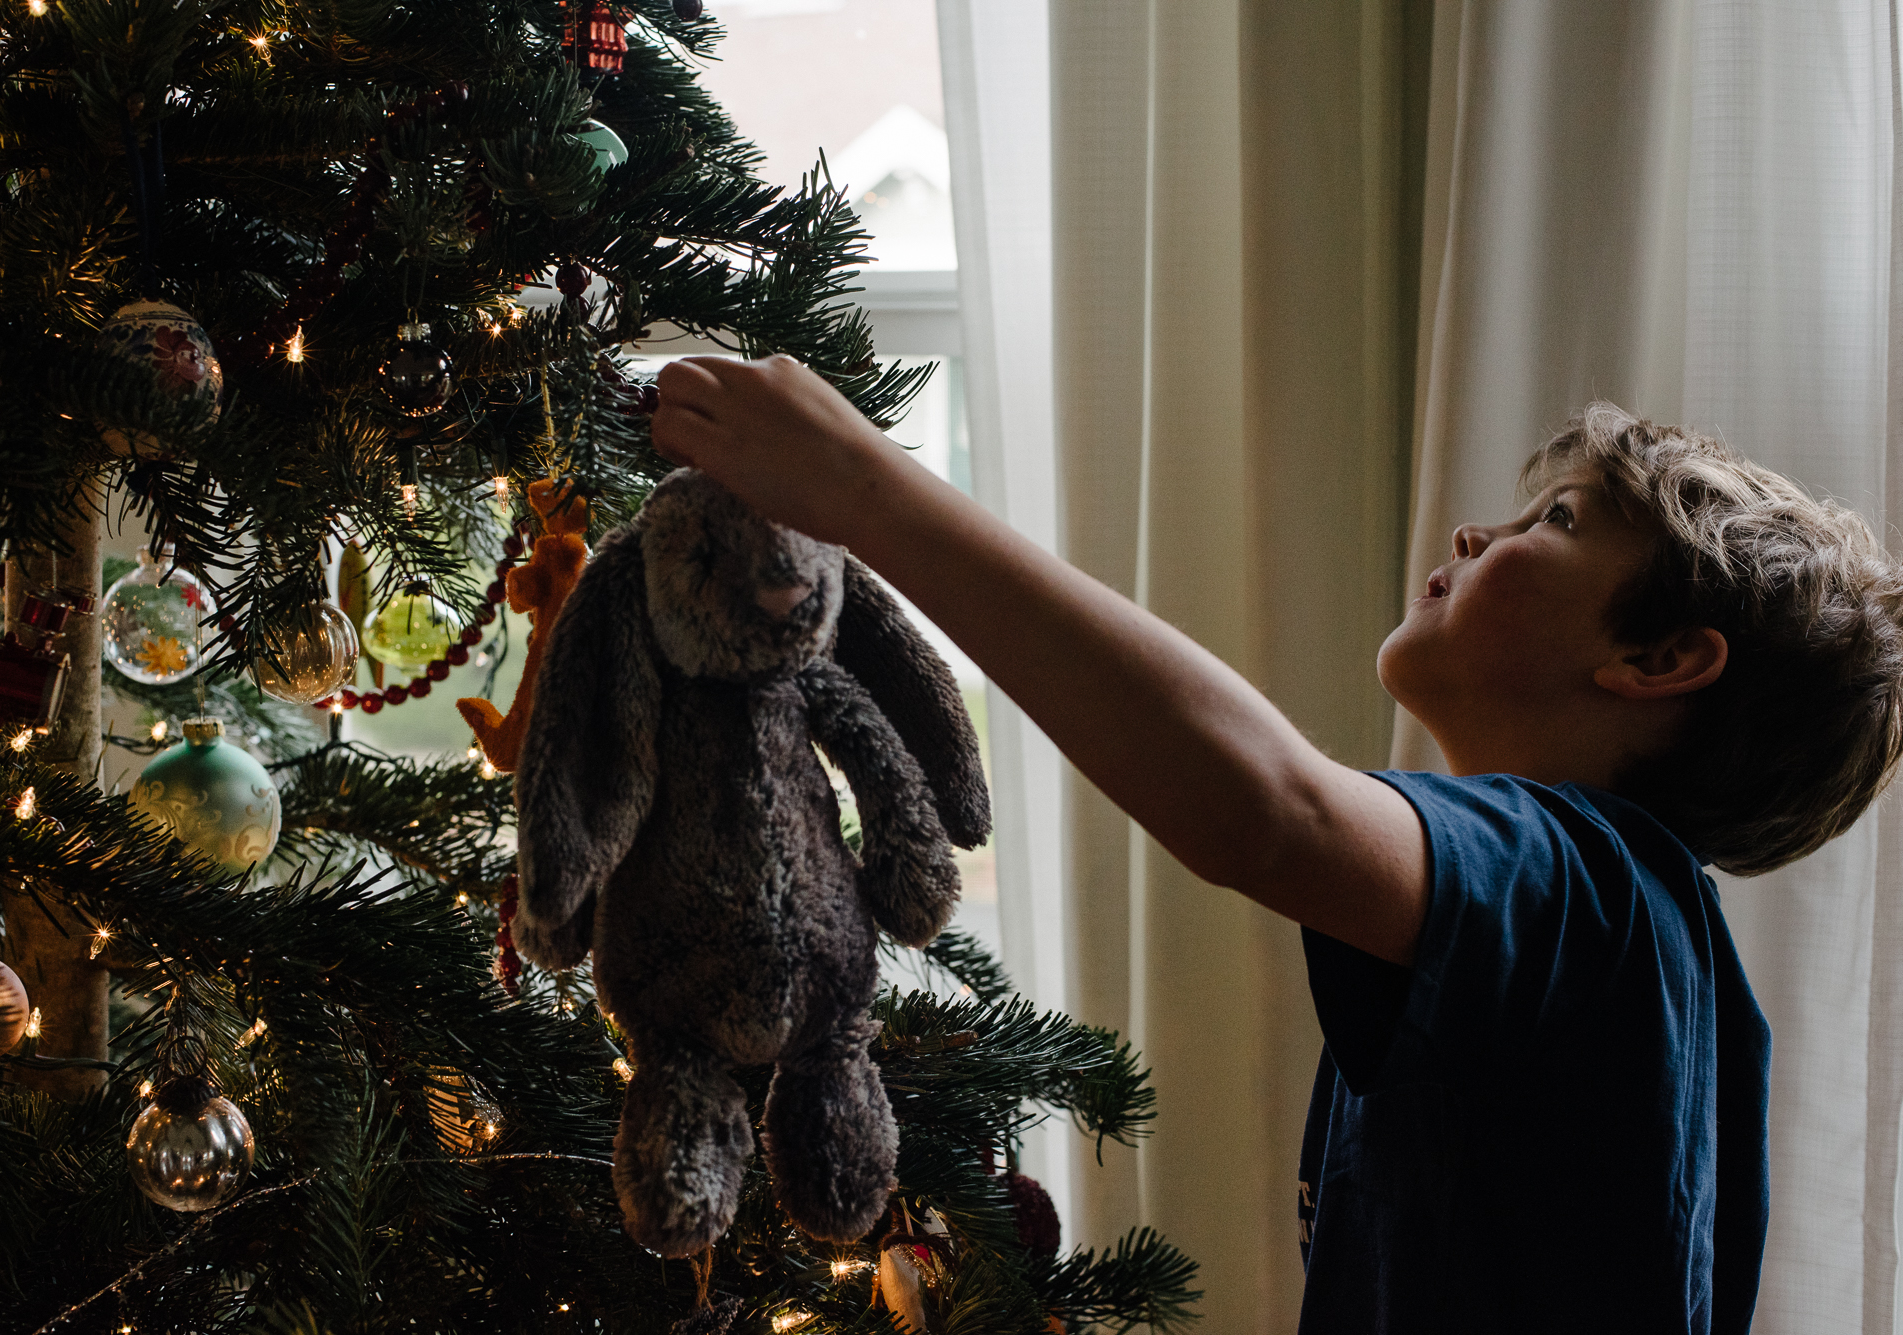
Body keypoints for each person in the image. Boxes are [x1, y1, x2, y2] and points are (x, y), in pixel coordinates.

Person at [649, 357, 1903, 1333]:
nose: (1475, 536)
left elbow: (1269, 810)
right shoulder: (1588, 930)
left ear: (1656, 660)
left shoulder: (1588, 883)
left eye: (1556, 521)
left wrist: (864, 489)